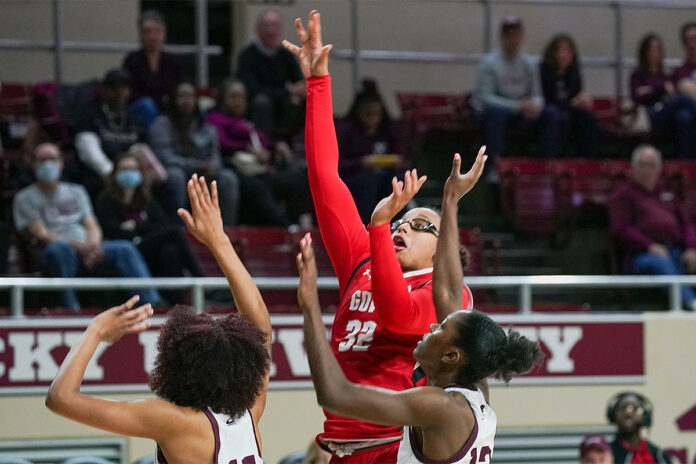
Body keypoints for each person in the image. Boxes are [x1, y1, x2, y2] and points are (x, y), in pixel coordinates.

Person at [283, 11, 483, 461]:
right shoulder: (363, 261)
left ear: (446, 247)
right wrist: (318, 84)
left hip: (395, 446)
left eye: (419, 225)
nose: (402, 227)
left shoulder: (451, 297)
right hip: (339, 445)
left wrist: (377, 226)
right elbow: (324, 177)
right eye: (399, 222)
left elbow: (397, 316)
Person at [295, 153, 542, 463]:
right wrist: (450, 200)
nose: (432, 327)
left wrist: (310, 308)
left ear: (451, 356)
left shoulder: (438, 406)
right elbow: (449, 295)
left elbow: (335, 394)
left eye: (439, 329)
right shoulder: (473, 393)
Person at [45, 175, 271, 464]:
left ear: (177, 365)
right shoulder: (252, 408)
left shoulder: (173, 421)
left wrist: (96, 329)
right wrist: (220, 241)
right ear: (244, 366)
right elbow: (261, 324)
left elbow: (60, 398)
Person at [12, 143, 160, 310]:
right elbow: (41, 234)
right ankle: (71, 308)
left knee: (124, 248)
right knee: (58, 248)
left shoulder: (77, 191)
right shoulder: (25, 198)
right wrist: (80, 247)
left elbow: (92, 224)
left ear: (61, 162)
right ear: (33, 163)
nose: (48, 164)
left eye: (52, 159)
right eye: (42, 160)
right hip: (56, 253)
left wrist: (93, 245)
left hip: (88, 249)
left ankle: (150, 304)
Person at [94, 152, 203, 302]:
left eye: (133, 169)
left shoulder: (145, 199)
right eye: (124, 169)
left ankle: (177, 304)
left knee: (169, 251)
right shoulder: (105, 200)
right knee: (175, 233)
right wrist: (142, 228)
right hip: (128, 252)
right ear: (114, 174)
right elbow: (112, 231)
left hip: (147, 246)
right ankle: (201, 278)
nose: (129, 173)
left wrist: (135, 227)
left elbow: (161, 225)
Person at [206, 79, 307, 225]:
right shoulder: (214, 119)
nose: (239, 102)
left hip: (258, 171)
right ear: (222, 99)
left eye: (242, 98)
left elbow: (263, 143)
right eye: (233, 97)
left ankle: (294, 225)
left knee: (297, 178)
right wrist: (248, 149)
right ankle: (286, 227)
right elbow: (222, 143)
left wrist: (276, 146)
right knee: (257, 188)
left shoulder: (246, 123)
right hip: (234, 171)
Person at [608, 144, 696, 311]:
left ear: (660, 169)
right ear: (632, 168)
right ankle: (692, 304)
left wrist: (692, 248)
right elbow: (621, 229)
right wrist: (649, 245)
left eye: (653, 165)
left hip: (676, 249)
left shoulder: (667, 191)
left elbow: (687, 224)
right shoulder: (622, 194)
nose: (648, 170)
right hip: (640, 255)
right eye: (643, 165)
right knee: (661, 263)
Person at [149, 82, 240, 225]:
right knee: (175, 175)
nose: (186, 101)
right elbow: (165, 158)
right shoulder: (161, 125)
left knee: (228, 177)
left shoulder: (207, 127)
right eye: (181, 96)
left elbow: (216, 158)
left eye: (191, 96)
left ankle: (226, 229)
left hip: (203, 175)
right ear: (172, 99)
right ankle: (178, 230)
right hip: (180, 174)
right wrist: (197, 166)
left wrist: (212, 167)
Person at [475, 16, 563, 159]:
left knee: (551, 114)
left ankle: (547, 163)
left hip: (523, 112)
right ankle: (494, 165)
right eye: (509, 35)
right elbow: (486, 99)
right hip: (496, 112)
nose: (513, 40)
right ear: (502, 37)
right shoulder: (488, 63)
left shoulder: (530, 63)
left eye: (517, 35)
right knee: (495, 114)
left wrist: (534, 106)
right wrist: (518, 106)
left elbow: (537, 94)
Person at [73, 68, 168, 199]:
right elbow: (89, 152)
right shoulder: (90, 115)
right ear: (104, 90)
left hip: (131, 171)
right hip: (100, 173)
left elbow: (142, 150)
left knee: (162, 183)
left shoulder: (135, 119)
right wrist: (111, 172)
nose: (119, 93)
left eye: (124, 88)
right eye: (114, 88)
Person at [336, 79, 406, 223]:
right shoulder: (346, 131)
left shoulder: (389, 129)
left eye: (376, 115)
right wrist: (360, 163)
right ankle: (364, 225)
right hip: (356, 177)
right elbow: (338, 165)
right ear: (359, 113)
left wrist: (397, 161)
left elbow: (402, 156)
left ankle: (399, 224)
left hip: (385, 176)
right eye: (368, 114)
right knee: (367, 182)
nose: (373, 119)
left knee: (398, 181)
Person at [237, 10, 305, 137]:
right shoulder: (247, 55)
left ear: (280, 30)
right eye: (266, 26)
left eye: (274, 26)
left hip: (282, 102)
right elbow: (251, 89)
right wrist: (288, 92)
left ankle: (308, 147)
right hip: (256, 104)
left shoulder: (286, 55)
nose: (270, 31)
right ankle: (265, 146)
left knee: (312, 100)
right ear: (257, 29)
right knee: (262, 102)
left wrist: (301, 91)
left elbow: (299, 83)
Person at [630, 34, 696, 158]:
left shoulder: (665, 75)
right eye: (651, 49)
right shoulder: (638, 75)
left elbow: (671, 95)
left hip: (665, 113)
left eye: (658, 49)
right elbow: (637, 98)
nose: (655, 53)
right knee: (684, 99)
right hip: (649, 115)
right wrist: (660, 89)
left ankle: (686, 162)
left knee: (684, 117)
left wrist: (651, 90)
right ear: (644, 52)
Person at [539, 34, 598, 157]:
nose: (563, 55)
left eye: (568, 51)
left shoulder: (574, 73)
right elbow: (544, 98)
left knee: (588, 118)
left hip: (569, 110)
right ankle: (553, 158)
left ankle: (586, 160)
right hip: (548, 110)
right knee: (555, 116)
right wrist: (571, 103)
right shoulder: (543, 71)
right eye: (560, 50)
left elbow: (577, 94)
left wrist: (583, 100)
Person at [123, 10, 184, 125]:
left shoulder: (174, 62)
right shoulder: (132, 60)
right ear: (141, 35)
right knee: (147, 105)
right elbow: (130, 92)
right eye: (147, 32)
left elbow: (179, 87)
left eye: (157, 31)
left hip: (167, 106)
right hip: (141, 107)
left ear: (164, 34)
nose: (152, 36)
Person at [606, 392, 672, 463]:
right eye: (622, 408)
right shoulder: (605, 453)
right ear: (613, 415)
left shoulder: (659, 455)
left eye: (636, 409)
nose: (628, 413)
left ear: (646, 416)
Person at [672, 22, 696, 100]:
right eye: (689, 40)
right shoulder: (679, 73)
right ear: (684, 44)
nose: (692, 44)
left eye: (695, 38)